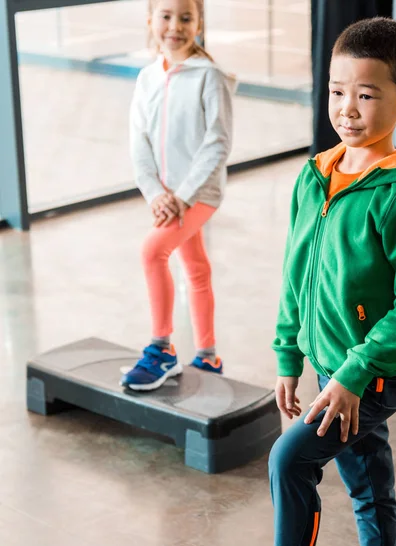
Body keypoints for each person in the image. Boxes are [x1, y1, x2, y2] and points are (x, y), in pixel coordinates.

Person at [265, 17, 396, 546]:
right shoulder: (314, 176)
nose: (347, 109)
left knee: (290, 462)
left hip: (373, 373)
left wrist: (352, 375)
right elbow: (297, 274)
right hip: (324, 362)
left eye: (367, 95)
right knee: (368, 479)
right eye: (338, 92)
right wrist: (289, 353)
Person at [121, 0, 234, 391]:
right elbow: (139, 143)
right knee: (196, 267)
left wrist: (182, 198)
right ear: (150, 20)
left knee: (153, 252)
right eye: (166, 16)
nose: (175, 26)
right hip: (165, 195)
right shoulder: (147, 78)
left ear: (199, 22)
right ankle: (208, 355)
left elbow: (217, 144)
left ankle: (161, 349)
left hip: (199, 193)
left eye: (186, 17)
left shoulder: (211, 77)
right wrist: (155, 193)